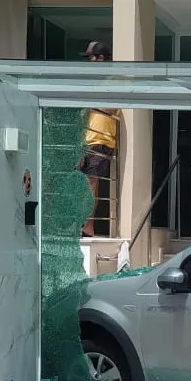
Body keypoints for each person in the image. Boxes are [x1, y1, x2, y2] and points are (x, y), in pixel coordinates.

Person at [76, 41, 120, 237]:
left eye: (90, 58)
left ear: (101, 58)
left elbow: (111, 107)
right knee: (81, 183)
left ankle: (88, 226)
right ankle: (81, 223)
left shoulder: (114, 80)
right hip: (86, 138)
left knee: (91, 183)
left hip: (101, 138)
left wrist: (89, 101)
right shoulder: (93, 81)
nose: (88, 62)